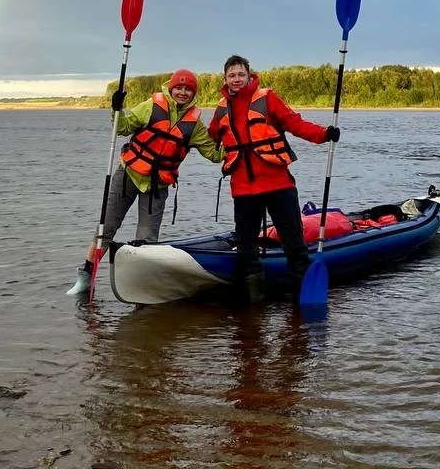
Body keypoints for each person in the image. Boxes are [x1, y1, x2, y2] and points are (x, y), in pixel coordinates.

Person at [206, 54, 339, 302]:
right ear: (225, 79)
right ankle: (253, 308)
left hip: (278, 184)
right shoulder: (222, 108)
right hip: (244, 189)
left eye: (241, 74)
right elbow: (208, 138)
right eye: (232, 75)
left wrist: (324, 134)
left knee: (294, 245)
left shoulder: (267, 98)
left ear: (249, 75)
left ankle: (303, 303)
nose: (237, 79)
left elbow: (295, 124)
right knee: (247, 250)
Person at [73, 69, 223, 287]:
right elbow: (123, 127)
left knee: (147, 238)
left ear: (194, 93)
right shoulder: (151, 106)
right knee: (107, 227)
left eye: (188, 89)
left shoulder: (195, 126)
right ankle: (86, 275)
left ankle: (140, 283)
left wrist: (233, 139)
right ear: (171, 88)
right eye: (179, 88)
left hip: (157, 185)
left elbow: (215, 155)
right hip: (128, 175)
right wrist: (116, 109)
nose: (182, 92)